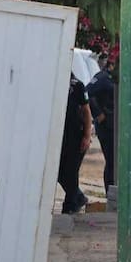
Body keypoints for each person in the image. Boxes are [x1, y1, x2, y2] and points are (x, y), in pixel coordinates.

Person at [58, 74, 92, 214]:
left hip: (76, 136)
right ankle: (78, 197)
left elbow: (87, 111)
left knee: (71, 172)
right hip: (60, 137)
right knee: (60, 172)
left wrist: (87, 136)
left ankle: (71, 205)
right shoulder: (55, 81)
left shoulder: (77, 85)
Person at [87, 53, 116, 197]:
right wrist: (98, 113)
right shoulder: (102, 78)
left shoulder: (117, 79)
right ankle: (110, 194)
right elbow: (87, 92)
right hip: (106, 127)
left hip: (115, 126)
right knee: (111, 161)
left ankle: (114, 193)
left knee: (116, 161)